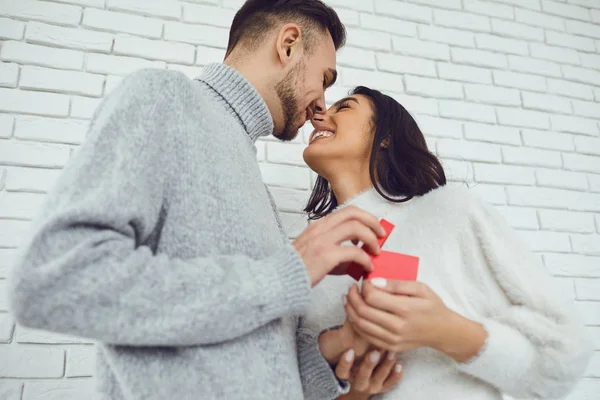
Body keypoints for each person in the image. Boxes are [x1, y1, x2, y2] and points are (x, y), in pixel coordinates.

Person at [7, 2, 396, 399]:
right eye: (324, 78)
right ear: (289, 44)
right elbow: (54, 280)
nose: (321, 105)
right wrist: (287, 273)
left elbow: (255, 359)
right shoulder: (165, 98)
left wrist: (337, 351)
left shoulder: (249, 176)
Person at [300, 86, 593, 400]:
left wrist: (445, 330)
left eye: (344, 107)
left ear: (385, 136)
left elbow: (566, 354)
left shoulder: (452, 212)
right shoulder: (311, 257)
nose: (320, 115)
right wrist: (354, 392)